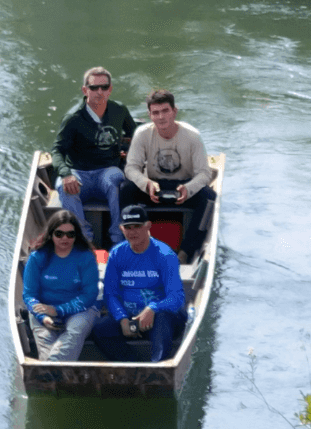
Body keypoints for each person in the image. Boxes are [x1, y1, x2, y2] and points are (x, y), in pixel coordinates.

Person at [120, 89, 216, 263]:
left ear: (174, 111)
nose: (161, 117)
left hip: (183, 187)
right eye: (155, 113)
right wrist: (146, 184)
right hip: (154, 187)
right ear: (150, 115)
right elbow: (131, 169)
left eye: (165, 111)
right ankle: (131, 246)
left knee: (209, 197)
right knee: (126, 188)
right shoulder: (142, 134)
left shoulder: (192, 135)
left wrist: (189, 188)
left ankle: (186, 253)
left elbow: (204, 173)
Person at [51, 66, 137, 246]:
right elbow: (57, 150)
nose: (99, 92)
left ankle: (118, 239)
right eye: (94, 88)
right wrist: (66, 174)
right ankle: (85, 239)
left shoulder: (119, 110)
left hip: (107, 170)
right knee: (63, 187)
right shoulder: (73, 118)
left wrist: (129, 152)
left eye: (104, 87)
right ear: (85, 90)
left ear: (110, 89)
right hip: (79, 173)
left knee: (119, 182)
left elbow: (136, 135)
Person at [92, 205, 188, 362]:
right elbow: (110, 293)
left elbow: (177, 297)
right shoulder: (117, 254)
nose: (132, 232)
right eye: (128, 227)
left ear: (148, 226)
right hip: (132, 324)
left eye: (137, 226)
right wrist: (122, 318)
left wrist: (152, 309)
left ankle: (157, 367)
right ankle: (132, 367)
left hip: (159, 320)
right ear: (121, 229)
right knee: (100, 329)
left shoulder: (165, 254)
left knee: (163, 319)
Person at [22, 210, 100, 361]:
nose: (65, 238)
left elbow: (89, 296)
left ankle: (52, 369)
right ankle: (53, 372)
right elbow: (29, 295)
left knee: (74, 331)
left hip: (80, 310)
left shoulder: (85, 257)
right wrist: (43, 316)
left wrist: (57, 310)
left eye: (70, 234)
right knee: (44, 339)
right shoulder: (37, 258)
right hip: (43, 311)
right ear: (51, 234)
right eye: (59, 234)